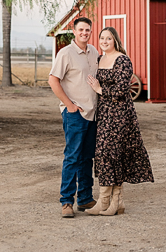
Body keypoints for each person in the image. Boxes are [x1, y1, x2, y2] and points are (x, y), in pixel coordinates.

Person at [84, 26, 154, 215]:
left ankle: (115, 202)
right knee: (103, 154)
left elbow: (122, 89)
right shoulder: (100, 59)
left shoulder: (122, 60)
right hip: (104, 113)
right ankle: (106, 201)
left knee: (112, 153)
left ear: (115, 40)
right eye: (102, 38)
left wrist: (100, 89)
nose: (104, 41)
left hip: (120, 113)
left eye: (108, 38)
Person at [48, 16, 100, 218]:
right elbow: (53, 80)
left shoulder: (93, 51)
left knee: (87, 157)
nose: (84, 33)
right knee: (73, 157)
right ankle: (67, 202)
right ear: (74, 31)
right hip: (75, 114)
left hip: (92, 113)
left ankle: (85, 198)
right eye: (81, 30)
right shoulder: (66, 53)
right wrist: (69, 106)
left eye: (87, 30)